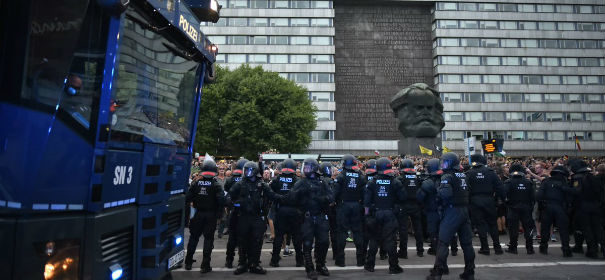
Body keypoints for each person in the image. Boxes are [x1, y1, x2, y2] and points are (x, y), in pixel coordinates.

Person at [427, 152, 475, 280]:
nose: (442, 164)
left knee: (443, 243)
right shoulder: (463, 175)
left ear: (450, 162)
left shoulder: (447, 176)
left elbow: (445, 194)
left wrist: (438, 191)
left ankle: (437, 273)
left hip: (452, 211)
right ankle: (469, 272)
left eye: (444, 162)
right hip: (464, 211)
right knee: (467, 244)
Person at [230, 161, 282, 275]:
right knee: (242, 241)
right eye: (246, 170)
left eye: (249, 170)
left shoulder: (262, 184)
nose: (247, 172)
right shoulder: (240, 183)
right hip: (243, 216)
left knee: (257, 241)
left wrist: (286, 198)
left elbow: (272, 195)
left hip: (258, 217)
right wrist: (237, 204)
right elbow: (229, 197)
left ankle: (254, 264)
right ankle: (242, 263)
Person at [289, 158, 334, 280]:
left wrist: (323, 198)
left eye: (308, 167)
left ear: (314, 168)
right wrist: (300, 193)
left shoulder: (322, 182)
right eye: (305, 166)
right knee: (307, 244)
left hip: (320, 216)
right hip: (307, 217)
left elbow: (331, 196)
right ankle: (309, 268)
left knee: (324, 242)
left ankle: (321, 264)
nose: (306, 169)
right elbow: (291, 198)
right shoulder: (301, 182)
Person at [363, 157, 405, 274]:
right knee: (390, 241)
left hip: (376, 213)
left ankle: (369, 265)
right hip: (390, 213)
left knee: (374, 240)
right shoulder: (395, 181)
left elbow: (366, 202)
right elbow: (403, 197)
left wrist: (367, 216)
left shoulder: (371, 182)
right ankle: (393, 267)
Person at [184, 157, 225, 272]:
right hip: (210, 215)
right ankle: (205, 265)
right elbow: (221, 201)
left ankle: (188, 262)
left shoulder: (196, 183)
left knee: (193, 238)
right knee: (208, 239)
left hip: (197, 214)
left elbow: (187, 198)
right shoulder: (216, 184)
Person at [465, 154, 504, 255]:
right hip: (489, 200)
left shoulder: (469, 173)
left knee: (480, 225)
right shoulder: (491, 172)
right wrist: (501, 199)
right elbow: (500, 187)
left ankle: (485, 248)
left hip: (475, 201)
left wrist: (467, 202)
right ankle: (497, 247)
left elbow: (465, 189)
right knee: (493, 224)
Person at [333, 154, 367, 266]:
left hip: (343, 206)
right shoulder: (360, 176)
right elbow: (364, 194)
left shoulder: (341, 176)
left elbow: (335, 193)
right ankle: (360, 261)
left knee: (341, 233)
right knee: (358, 232)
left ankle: (340, 261)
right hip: (357, 205)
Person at [269, 159, 303, 267]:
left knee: (278, 237)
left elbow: (270, 193)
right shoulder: (298, 180)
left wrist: (278, 198)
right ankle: (299, 261)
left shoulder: (276, 180)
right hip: (295, 211)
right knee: (297, 237)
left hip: (281, 211)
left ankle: (274, 261)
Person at [536, 165, 575, 257]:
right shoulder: (565, 183)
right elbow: (570, 198)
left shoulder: (546, 182)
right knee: (563, 230)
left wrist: (542, 205)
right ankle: (566, 249)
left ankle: (543, 247)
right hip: (561, 208)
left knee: (545, 229)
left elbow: (538, 196)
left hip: (547, 207)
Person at [502, 164, 536, 254]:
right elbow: (533, 197)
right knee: (528, 228)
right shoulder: (528, 182)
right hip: (526, 208)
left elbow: (503, 195)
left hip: (513, 208)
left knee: (513, 229)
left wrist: (507, 203)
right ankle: (530, 248)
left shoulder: (508, 182)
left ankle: (513, 247)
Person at [575, 161, 605, 258]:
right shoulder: (597, 180)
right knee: (598, 229)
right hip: (596, 206)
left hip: (585, 207)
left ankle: (592, 250)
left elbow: (578, 193)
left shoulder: (584, 180)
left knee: (587, 229)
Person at [397, 158, 424, 258]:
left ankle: (403, 252)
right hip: (416, 205)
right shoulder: (418, 178)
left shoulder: (400, 178)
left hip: (404, 205)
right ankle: (420, 250)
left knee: (403, 229)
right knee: (418, 228)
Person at [224, 158, 248, 268]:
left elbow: (227, 192)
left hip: (233, 211)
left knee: (232, 239)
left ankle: (229, 260)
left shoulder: (230, 179)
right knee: (243, 238)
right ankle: (242, 261)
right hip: (244, 212)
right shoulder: (247, 179)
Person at [417, 158, 442, 256]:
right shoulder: (446, 178)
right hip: (445, 209)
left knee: (433, 230)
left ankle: (435, 248)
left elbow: (419, 197)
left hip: (432, 210)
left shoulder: (427, 182)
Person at [319, 161, 338, 260]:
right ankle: (335, 255)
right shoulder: (332, 181)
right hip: (332, 211)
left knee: (322, 235)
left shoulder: (319, 181)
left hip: (322, 211)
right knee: (334, 234)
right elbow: (335, 196)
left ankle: (320, 256)